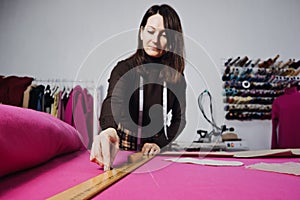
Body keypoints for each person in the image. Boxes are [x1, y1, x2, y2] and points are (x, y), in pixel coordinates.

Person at [90, 4, 186, 171]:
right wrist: (109, 130)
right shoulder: (124, 69)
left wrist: (159, 143)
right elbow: (113, 100)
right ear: (141, 32)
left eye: (163, 35)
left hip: (157, 152)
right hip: (125, 150)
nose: (155, 40)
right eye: (150, 31)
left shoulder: (177, 78)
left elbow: (180, 119)